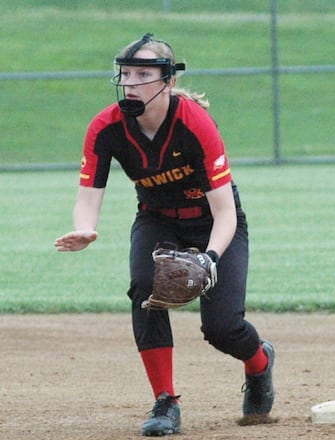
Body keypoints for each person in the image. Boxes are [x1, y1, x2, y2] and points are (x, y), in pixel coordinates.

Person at [54, 33, 275, 436]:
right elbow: (88, 196)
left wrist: (209, 259)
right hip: (158, 220)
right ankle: (166, 402)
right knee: (144, 290)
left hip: (213, 224)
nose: (131, 82)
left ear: (168, 81)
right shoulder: (107, 128)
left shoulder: (194, 124)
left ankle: (259, 364)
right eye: (126, 73)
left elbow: (224, 212)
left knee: (222, 329)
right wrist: (86, 228)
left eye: (144, 73)